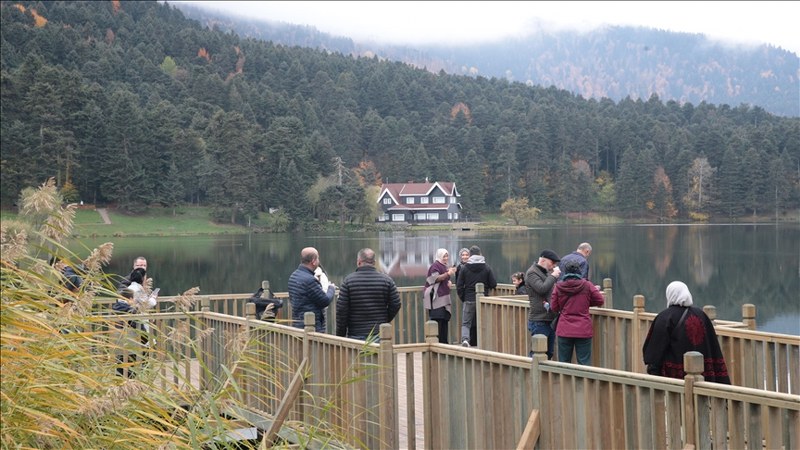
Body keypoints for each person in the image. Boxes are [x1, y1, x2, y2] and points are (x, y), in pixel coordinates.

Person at [642, 281, 731, 384]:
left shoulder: (665, 318)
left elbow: (653, 353)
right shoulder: (701, 315)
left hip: (675, 383)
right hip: (704, 380)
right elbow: (713, 347)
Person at [336, 248, 402, 340]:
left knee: (357, 355)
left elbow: (341, 310)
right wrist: (384, 320)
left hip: (355, 334)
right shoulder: (387, 281)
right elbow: (396, 304)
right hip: (379, 334)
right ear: (374, 262)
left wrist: (340, 334)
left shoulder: (348, 281)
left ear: (359, 262)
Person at [550, 260, 605, 364]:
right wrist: (586, 303)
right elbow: (600, 300)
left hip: (564, 328)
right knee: (584, 362)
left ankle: (565, 380)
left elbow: (554, 307)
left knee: (564, 362)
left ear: (565, 272)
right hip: (583, 328)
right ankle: (584, 380)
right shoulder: (587, 285)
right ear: (579, 271)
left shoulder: (558, 286)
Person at [456, 245, 497, 347]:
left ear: (470, 255)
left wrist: (463, 297)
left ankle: (465, 340)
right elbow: (493, 284)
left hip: (469, 299)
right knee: (484, 321)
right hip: (483, 300)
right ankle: (485, 341)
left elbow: (459, 285)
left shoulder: (465, 268)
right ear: (480, 254)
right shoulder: (486, 267)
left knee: (466, 322)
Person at [288, 247, 336, 332]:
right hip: (312, 327)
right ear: (313, 261)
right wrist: (331, 288)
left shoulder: (293, 276)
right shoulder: (309, 280)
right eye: (318, 258)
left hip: (297, 325)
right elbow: (325, 301)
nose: (318, 261)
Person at [525, 250, 562, 359]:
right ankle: (533, 375)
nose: (554, 266)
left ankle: (542, 376)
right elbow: (541, 288)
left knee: (549, 353)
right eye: (553, 263)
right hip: (539, 320)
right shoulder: (532, 272)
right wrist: (554, 276)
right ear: (543, 260)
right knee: (538, 353)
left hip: (549, 319)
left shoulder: (545, 273)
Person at [424, 248, 457, 343]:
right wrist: (448, 274)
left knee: (444, 321)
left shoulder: (443, 266)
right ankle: (436, 344)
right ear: (439, 256)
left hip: (444, 298)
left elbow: (443, 279)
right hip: (436, 299)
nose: (446, 258)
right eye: (444, 256)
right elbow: (434, 279)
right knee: (437, 321)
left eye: (447, 256)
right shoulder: (435, 266)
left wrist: (449, 281)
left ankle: (444, 344)